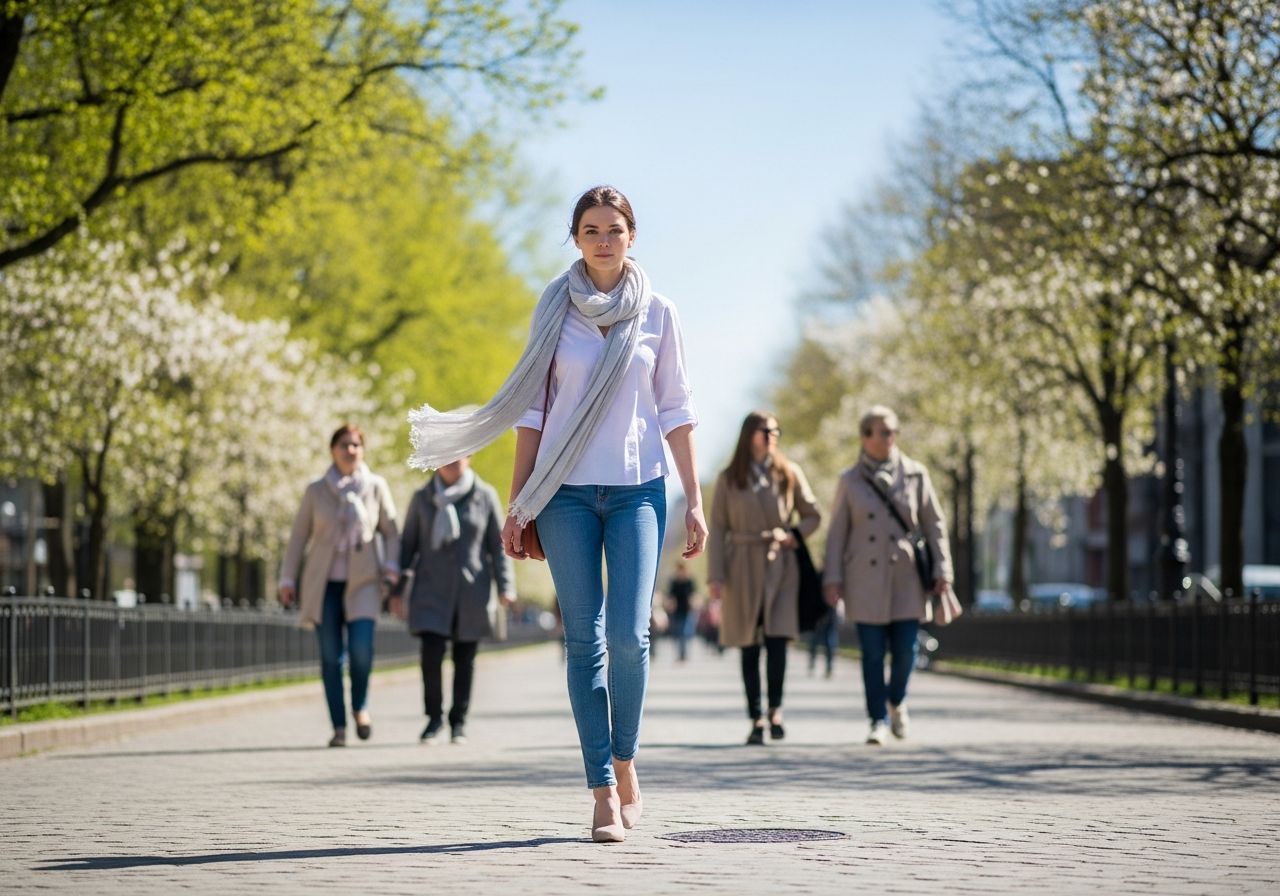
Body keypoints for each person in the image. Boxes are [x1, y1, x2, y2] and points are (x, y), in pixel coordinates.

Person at [407, 186, 705, 844]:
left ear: (632, 237)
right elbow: (533, 412)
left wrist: (695, 499)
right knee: (583, 642)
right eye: (590, 230)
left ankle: (625, 760)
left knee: (629, 638)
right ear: (575, 238)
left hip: (638, 492)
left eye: (614, 229)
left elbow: (676, 410)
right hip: (565, 494)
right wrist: (520, 504)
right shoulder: (555, 308)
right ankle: (601, 790)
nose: (603, 240)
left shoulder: (658, 313)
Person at [822, 405, 954, 745]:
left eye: (891, 431)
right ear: (864, 436)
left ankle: (897, 700)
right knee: (872, 654)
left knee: (907, 649)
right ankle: (877, 720)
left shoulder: (917, 474)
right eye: (878, 432)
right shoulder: (849, 480)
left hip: (907, 577)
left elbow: (935, 526)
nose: (885, 438)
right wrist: (832, 578)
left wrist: (943, 569)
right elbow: (836, 533)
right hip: (864, 579)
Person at [280, 424, 401, 747]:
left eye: (356, 445)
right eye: (345, 445)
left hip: (364, 582)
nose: (351, 450)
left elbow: (391, 532)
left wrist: (391, 567)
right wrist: (287, 578)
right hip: (324, 585)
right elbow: (298, 537)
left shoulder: (376, 486)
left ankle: (360, 707)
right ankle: (338, 727)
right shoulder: (316, 491)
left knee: (361, 650)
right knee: (331, 657)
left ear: (363, 450)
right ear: (332, 450)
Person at [706, 412, 821, 746]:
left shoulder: (788, 472)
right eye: (765, 430)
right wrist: (716, 577)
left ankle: (775, 711)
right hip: (741, 566)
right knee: (749, 643)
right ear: (749, 434)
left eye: (775, 430)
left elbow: (813, 515)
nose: (772, 435)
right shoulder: (729, 478)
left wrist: (793, 536)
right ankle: (755, 716)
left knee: (777, 638)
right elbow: (719, 529)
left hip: (780, 566)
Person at [396, 456, 515, 746]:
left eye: (458, 454)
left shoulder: (484, 495)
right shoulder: (422, 497)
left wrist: (506, 586)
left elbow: (497, 546)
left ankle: (458, 721)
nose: (451, 461)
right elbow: (407, 546)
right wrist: (396, 589)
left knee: (465, 659)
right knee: (431, 655)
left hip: (470, 592)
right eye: (446, 455)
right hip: (429, 590)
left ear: (469, 458)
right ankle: (433, 719)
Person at [665, 562, 697, 662]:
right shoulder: (674, 582)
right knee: (678, 633)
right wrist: (670, 603)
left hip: (687, 611)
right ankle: (680, 654)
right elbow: (670, 595)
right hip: (676, 611)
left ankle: (684, 654)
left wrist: (693, 601)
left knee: (685, 632)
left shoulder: (689, 581)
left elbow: (694, 594)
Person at [808, 600, 841, 678]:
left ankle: (829, 668)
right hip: (819, 612)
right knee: (814, 642)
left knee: (829, 643)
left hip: (831, 614)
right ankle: (812, 663)